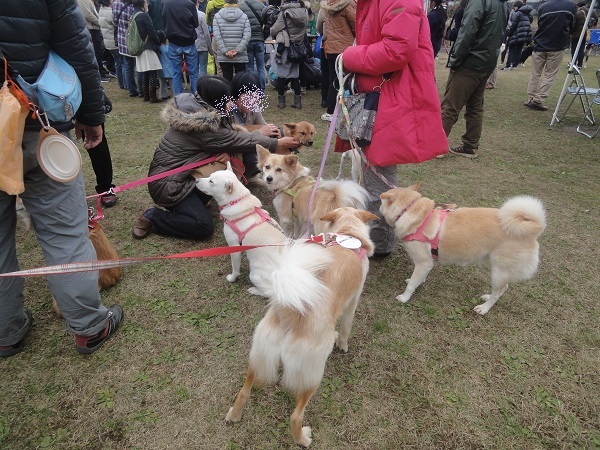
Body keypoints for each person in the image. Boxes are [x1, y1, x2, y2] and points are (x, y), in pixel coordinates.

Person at [0, 0, 123, 357]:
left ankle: (6, 332)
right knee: (66, 234)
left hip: (29, 123)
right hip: (34, 125)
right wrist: (90, 113)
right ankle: (89, 327)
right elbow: (74, 42)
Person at [341, 0, 448, 257]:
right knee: (373, 172)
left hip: (389, 98)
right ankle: (379, 235)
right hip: (382, 96)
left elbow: (395, 51)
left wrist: (349, 56)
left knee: (378, 175)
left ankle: (378, 242)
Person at [131, 75, 298, 240]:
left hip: (188, 176)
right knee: (203, 226)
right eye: (227, 100)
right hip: (170, 185)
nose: (231, 103)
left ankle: (199, 200)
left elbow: (233, 138)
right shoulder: (202, 125)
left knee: (245, 156)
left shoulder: (203, 109)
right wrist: (277, 142)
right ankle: (154, 217)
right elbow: (238, 140)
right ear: (214, 100)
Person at [441, 0, 507, 158]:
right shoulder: (502, 4)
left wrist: (456, 59)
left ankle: (436, 146)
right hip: (487, 61)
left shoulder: (479, 2)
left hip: (471, 61)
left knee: (450, 105)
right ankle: (470, 145)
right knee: (475, 106)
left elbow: (468, 31)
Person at [524, 0, 576, 111]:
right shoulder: (571, 6)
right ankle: (538, 100)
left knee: (535, 74)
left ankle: (530, 98)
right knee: (550, 75)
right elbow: (572, 25)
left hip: (539, 44)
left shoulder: (543, 6)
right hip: (557, 46)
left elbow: (540, 24)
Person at [230, 71, 283, 178]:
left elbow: (263, 125)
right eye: (248, 97)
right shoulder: (228, 112)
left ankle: (251, 177)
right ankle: (238, 179)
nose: (252, 101)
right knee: (259, 156)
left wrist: (274, 132)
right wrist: (259, 132)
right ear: (235, 96)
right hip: (233, 152)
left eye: (255, 96)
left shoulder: (253, 108)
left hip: (248, 145)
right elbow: (234, 141)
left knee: (280, 135)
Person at [318, 0, 356, 122]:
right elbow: (356, 25)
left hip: (331, 48)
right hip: (346, 48)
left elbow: (321, 27)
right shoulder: (349, 4)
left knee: (333, 80)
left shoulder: (327, 6)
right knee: (348, 80)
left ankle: (331, 110)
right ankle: (348, 108)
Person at [270, 0, 308, 109]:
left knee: (282, 75)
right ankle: (297, 101)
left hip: (286, 48)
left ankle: (281, 102)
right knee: (295, 75)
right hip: (298, 47)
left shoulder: (285, 13)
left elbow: (274, 29)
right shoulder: (304, 11)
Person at [162, 0, 200, 94]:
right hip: (189, 41)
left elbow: (164, 20)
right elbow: (196, 23)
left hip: (174, 41)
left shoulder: (166, 3)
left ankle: (179, 97)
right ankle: (195, 95)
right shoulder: (189, 4)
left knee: (175, 73)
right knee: (193, 73)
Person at [131, 0, 163, 103]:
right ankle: (152, 97)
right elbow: (151, 31)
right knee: (153, 71)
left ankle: (146, 96)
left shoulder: (134, 15)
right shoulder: (143, 16)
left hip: (140, 47)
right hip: (147, 46)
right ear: (142, 4)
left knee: (146, 73)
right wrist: (158, 42)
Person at [213, 0, 251, 82]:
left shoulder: (217, 16)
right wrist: (237, 50)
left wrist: (225, 51)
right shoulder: (244, 16)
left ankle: (228, 94)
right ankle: (239, 94)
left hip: (224, 55)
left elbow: (217, 36)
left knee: (226, 79)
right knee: (240, 80)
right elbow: (247, 35)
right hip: (240, 55)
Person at [239, 0, 268, 90]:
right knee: (261, 67)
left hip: (247, 40)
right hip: (259, 39)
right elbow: (266, 23)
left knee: (250, 68)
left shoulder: (241, 7)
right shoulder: (262, 6)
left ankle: (252, 89)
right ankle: (261, 90)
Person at [113, 0, 139, 97]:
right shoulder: (132, 6)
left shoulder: (116, 3)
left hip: (122, 39)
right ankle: (139, 89)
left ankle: (131, 89)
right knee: (137, 66)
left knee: (128, 66)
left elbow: (114, 20)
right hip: (133, 39)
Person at [99, 0, 126, 89]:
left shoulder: (101, 10)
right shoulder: (109, 12)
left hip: (107, 41)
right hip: (114, 41)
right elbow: (116, 23)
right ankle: (126, 84)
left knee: (117, 63)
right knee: (123, 63)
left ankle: (121, 83)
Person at [503, 1, 532, 70]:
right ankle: (514, 65)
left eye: (515, 6)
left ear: (518, 7)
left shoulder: (518, 13)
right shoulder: (527, 13)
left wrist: (509, 34)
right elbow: (530, 21)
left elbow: (513, 25)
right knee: (519, 50)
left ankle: (508, 65)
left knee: (512, 49)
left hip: (516, 34)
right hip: (524, 35)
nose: (514, 8)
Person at [195, 0, 213, 76]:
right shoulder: (201, 14)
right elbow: (206, 33)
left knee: (194, 70)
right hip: (203, 45)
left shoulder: (185, 14)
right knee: (203, 68)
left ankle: (194, 87)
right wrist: (210, 49)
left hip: (192, 46)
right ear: (197, 3)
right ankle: (202, 86)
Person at [570, 2, 588, 68]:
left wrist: (570, 32)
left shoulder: (576, 14)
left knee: (574, 49)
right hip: (583, 34)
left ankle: (574, 63)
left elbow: (573, 25)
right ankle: (580, 64)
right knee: (581, 49)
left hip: (575, 35)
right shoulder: (585, 13)